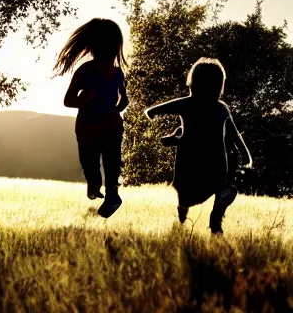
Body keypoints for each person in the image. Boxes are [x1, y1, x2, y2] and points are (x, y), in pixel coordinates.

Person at [145, 57, 252, 234]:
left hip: (189, 168)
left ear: (192, 83)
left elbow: (153, 111)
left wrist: (172, 137)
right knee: (221, 189)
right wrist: (245, 154)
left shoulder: (186, 104)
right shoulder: (221, 108)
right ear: (219, 86)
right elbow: (234, 135)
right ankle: (215, 219)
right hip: (215, 168)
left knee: (185, 198)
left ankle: (185, 221)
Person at [53, 18, 129, 218]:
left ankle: (113, 195)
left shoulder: (118, 73)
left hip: (111, 126)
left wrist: (118, 109)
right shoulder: (85, 71)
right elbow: (67, 100)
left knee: (112, 163)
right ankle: (94, 186)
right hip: (88, 128)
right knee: (90, 164)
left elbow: (125, 99)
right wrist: (82, 99)